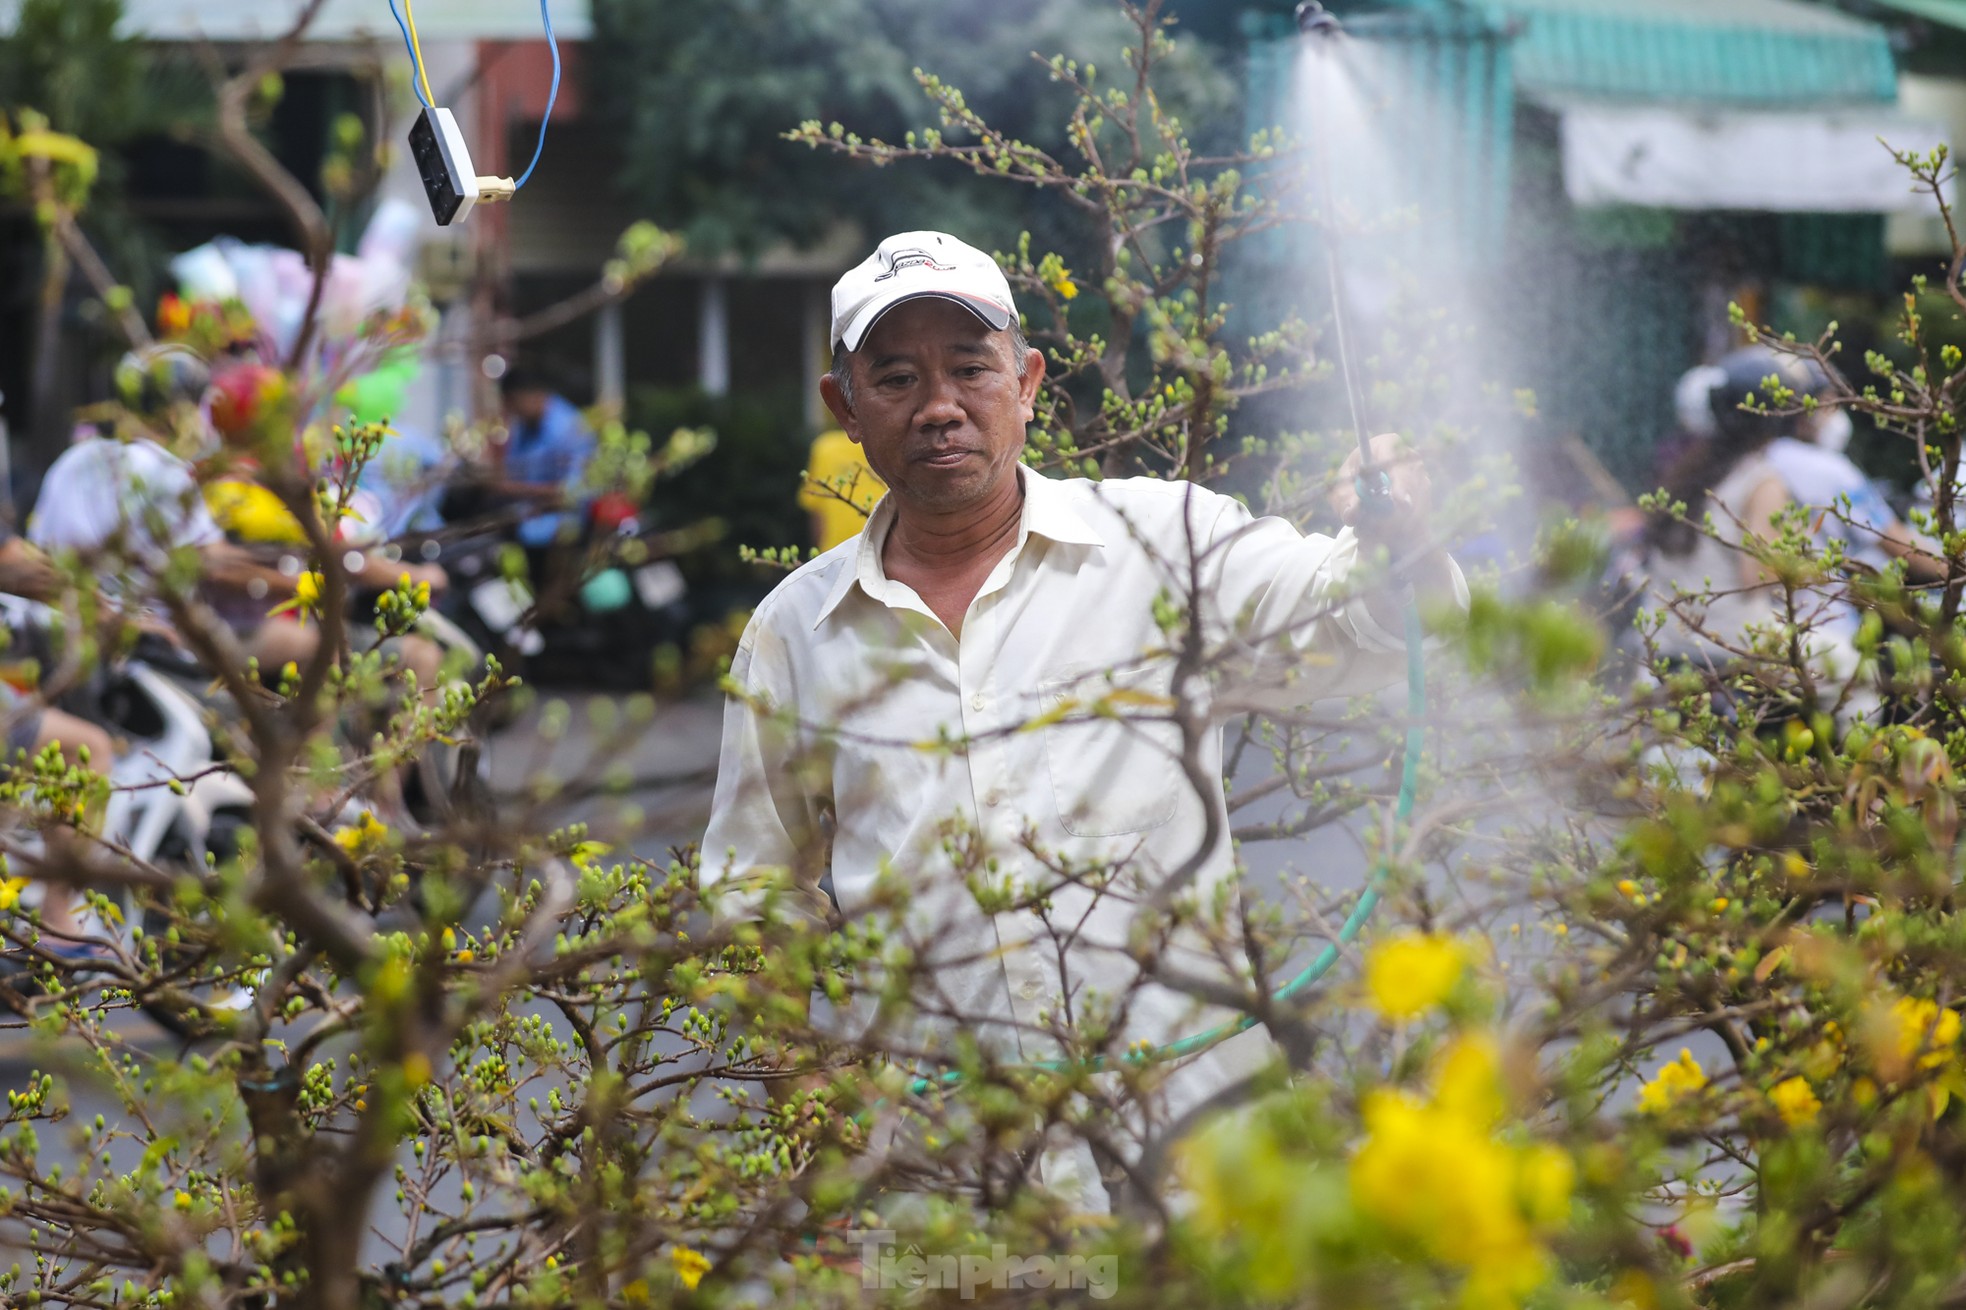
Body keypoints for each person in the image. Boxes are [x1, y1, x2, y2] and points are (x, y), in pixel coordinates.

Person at [700, 230, 1465, 1210]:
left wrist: (1398, 532)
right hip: (942, 1179)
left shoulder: (1163, 539)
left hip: (1198, 1162)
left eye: (970, 368)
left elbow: (1362, 617)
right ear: (843, 408)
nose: (939, 406)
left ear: (1025, 381)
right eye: (895, 378)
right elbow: (751, 902)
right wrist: (816, 1123)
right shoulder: (793, 634)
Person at [492, 368, 596, 550]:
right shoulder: (524, 427)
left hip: (561, 533)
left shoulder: (569, 429)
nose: (510, 411)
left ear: (532, 396)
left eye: (512, 403)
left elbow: (575, 492)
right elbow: (513, 471)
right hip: (525, 521)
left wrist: (515, 490)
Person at [800, 427, 886, 551]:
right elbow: (816, 508)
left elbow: (816, 510)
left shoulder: (826, 447)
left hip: (878, 551)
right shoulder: (825, 448)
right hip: (840, 553)